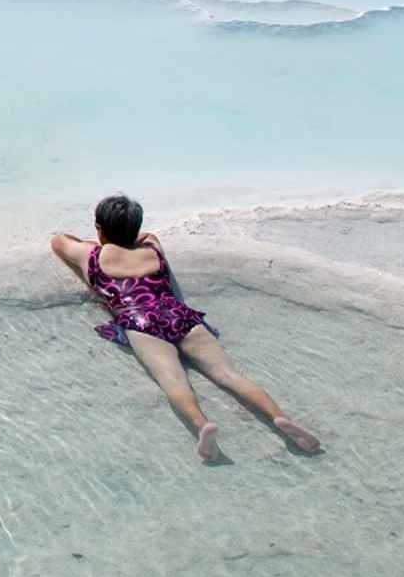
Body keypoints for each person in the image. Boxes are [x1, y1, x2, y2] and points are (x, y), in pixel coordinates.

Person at [50, 193, 321, 463]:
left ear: (100, 229)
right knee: (230, 375)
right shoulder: (153, 248)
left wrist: (100, 240)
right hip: (180, 316)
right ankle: (281, 419)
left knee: (174, 381)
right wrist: (130, 237)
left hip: (141, 322)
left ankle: (203, 425)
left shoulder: (92, 255)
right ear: (135, 228)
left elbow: (59, 240)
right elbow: (149, 234)